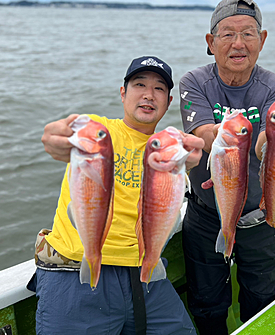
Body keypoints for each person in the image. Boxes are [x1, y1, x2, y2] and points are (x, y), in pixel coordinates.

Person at [29, 56, 204, 335]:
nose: (149, 94)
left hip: (145, 276)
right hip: (75, 271)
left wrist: (189, 160)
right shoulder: (100, 131)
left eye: (159, 89)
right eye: (139, 84)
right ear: (123, 93)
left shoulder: (167, 149)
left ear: (169, 102)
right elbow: (55, 135)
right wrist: (56, 138)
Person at [179, 0, 275, 334]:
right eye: (227, 34)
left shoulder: (274, 86)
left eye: (248, 33)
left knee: (261, 296)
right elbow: (202, 135)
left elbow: (270, 141)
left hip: (259, 214)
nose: (238, 43)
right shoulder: (193, 82)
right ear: (210, 43)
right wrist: (227, 132)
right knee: (207, 302)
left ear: (263, 40)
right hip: (206, 214)